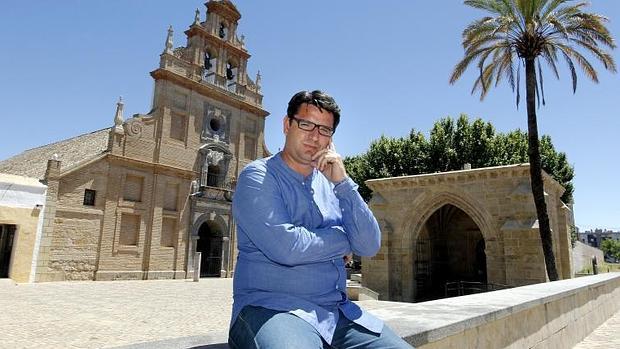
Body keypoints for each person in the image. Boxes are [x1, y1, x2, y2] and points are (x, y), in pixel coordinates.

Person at [228, 90, 412, 348]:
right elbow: (288, 248)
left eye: (324, 130)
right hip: (271, 310)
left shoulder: (333, 184)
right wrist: (344, 241)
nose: (315, 137)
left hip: (336, 313)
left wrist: (344, 183)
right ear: (286, 124)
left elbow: (369, 245)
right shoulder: (257, 177)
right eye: (306, 124)